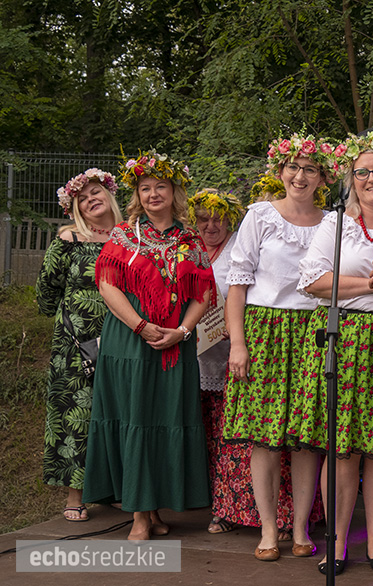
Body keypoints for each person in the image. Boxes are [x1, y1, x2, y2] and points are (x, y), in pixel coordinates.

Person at [295, 130, 373, 575]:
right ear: (351, 179)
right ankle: (339, 542)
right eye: (361, 172)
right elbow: (311, 281)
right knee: (341, 448)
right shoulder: (337, 223)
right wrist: (370, 284)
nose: (370, 178)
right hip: (342, 338)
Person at [83, 150, 215, 541]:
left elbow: (203, 291)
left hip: (174, 344)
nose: (153, 194)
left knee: (163, 419)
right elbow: (107, 284)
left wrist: (183, 331)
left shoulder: (188, 238)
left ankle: (155, 508)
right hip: (130, 341)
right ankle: (139, 515)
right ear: (137, 195)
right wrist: (140, 325)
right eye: (145, 188)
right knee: (136, 418)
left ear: (174, 192)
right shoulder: (125, 235)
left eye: (161, 186)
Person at [222, 133, 334, 562]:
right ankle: (269, 528)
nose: (299, 176)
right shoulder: (260, 216)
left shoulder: (333, 221)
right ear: (280, 171)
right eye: (293, 167)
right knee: (265, 440)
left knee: (307, 440)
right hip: (265, 329)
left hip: (314, 329)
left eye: (309, 168)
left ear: (322, 176)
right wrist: (238, 344)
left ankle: (301, 526)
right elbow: (238, 282)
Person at [36, 169, 123, 522]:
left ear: (109, 194)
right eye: (82, 196)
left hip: (124, 337)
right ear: (76, 208)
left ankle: (115, 489)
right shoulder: (69, 240)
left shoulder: (129, 236)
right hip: (76, 342)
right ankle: (76, 494)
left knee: (119, 411)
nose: (91, 198)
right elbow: (45, 295)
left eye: (96, 190)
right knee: (78, 414)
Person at [186, 189, 249, 534]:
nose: (211, 226)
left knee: (228, 434)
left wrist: (236, 327)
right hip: (191, 356)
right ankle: (203, 498)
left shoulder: (240, 245)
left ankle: (226, 507)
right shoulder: (186, 248)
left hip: (229, 355)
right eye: (203, 219)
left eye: (218, 218)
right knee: (200, 432)